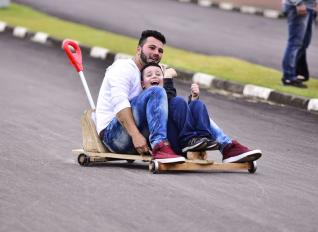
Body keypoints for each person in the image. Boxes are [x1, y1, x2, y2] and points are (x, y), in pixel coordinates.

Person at [140, 62, 262, 163]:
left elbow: (174, 107)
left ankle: (203, 140)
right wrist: (167, 78)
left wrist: (193, 99)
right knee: (178, 102)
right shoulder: (146, 98)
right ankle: (191, 141)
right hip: (166, 145)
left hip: (182, 141)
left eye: (158, 74)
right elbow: (169, 100)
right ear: (142, 84)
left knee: (197, 105)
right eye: (149, 75)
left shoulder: (166, 93)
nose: (154, 76)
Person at [281, 0, 317, 88]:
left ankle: (297, 73)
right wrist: (298, 3)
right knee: (295, 43)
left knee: (304, 43)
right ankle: (289, 77)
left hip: (309, 6)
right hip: (297, 6)